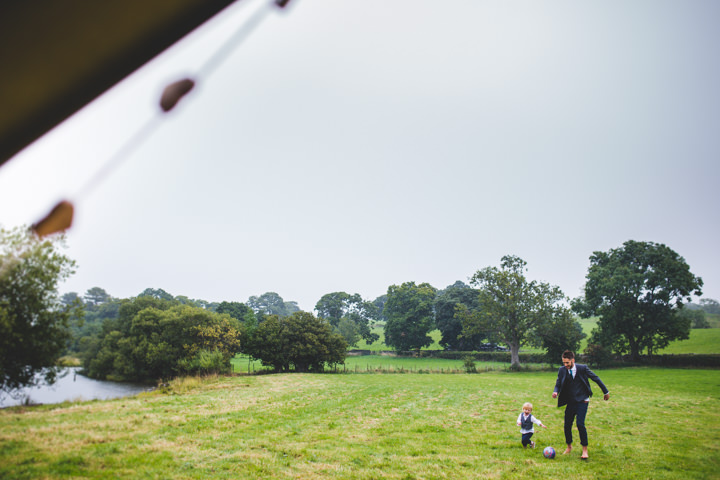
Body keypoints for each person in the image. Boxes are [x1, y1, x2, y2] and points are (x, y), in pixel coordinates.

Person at [552, 350, 610, 459]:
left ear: (573, 360)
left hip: (583, 400)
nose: (565, 365)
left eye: (567, 363)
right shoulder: (562, 370)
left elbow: (595, 378)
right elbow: (558, 383)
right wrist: (556, 391)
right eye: (564, 363)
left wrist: (605, 392)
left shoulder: (582, 368)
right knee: (567, 425)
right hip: (571, 401)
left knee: (580, 424)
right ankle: (569, 447)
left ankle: (585, 450)